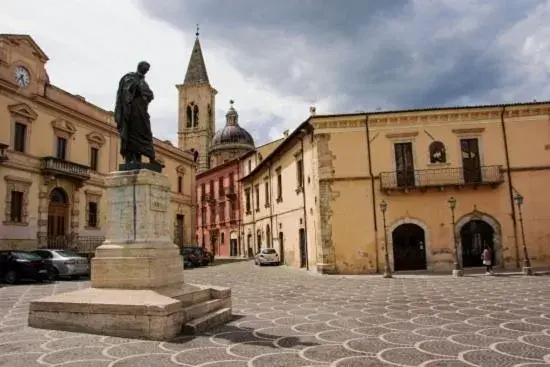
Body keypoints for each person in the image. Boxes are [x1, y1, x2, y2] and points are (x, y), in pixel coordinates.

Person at [114, 61, 156, 165]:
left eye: (148, 69)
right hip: (133, 111)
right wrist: (136, 88)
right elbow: (126, 92)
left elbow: (150, 95)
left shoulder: (143, 81)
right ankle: (132, 159)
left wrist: (146, 94)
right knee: (132, 135)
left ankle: (146, 159)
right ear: (140, 67)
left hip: (142, 112)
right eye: (146, 69)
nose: (147, 71)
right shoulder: (130, 77)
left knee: (146, 134)